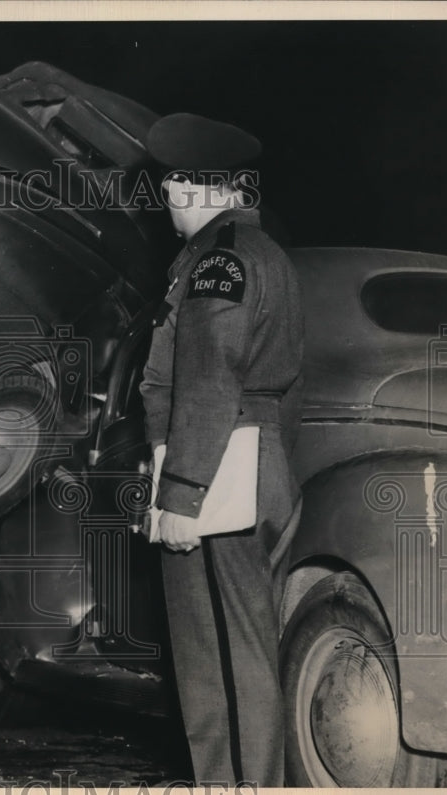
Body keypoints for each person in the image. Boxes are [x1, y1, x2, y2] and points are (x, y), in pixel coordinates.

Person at [139, 113, 304, 787]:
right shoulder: (268, 254)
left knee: (214, 658)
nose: (167, 198)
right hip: (251, 461)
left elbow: (207, 376)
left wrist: (180, 492)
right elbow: (286, 382)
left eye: (171, 184)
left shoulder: (219, 262)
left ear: (189, 186)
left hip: (213, 468)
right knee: (245, 648)